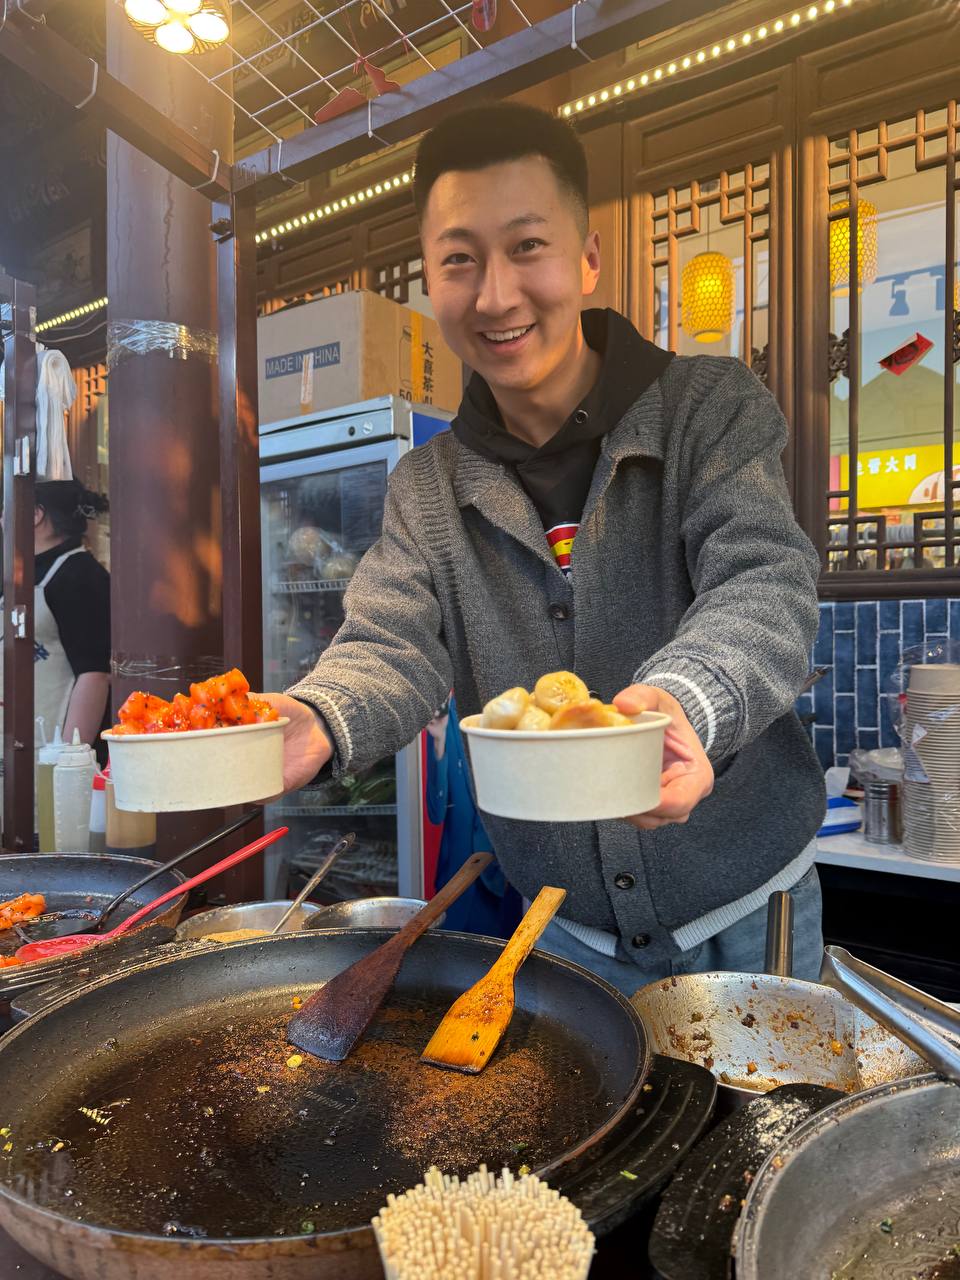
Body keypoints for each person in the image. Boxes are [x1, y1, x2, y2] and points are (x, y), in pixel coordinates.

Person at [262, 102, 826, 996]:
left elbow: (765, 583)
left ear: (588, 258)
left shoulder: (707, 409)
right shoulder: (428, 486)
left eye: (528, 246)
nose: (494, 295)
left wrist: (682, 708)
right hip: (560, 934)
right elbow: (392, 645)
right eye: (459, 260)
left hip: (752, 917)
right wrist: (321, 715)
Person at [19, 481, 111, 758]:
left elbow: (95, 673)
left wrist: (69, 760)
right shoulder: (20, 576)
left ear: (36, 514)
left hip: (52, 749)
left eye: (6, 509)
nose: (2, 519)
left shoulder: (80, 575)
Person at [425, 696, 522, 939]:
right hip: (455, 868)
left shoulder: (509, 709)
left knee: (497, 951)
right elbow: (435, 812)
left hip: (501, 870)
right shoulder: (446, 715)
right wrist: (438, 739)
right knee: (449, 949)